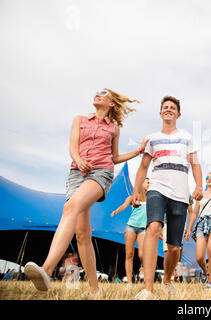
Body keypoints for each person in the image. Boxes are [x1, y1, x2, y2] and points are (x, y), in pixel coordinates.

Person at [24, 88, 149, 298]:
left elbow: (114, 157)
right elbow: (73, 147)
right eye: (96, 93)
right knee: (82, 234)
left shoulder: (114, 129)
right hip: (76, 174)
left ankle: (46, 270)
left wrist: (138, 151)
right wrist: (79, 159)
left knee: (70, 207)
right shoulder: (79, 119)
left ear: (111, 104)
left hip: (100, 174)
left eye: (103, 93)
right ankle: (94, 290)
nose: (97, 95)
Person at [132, 96, 203, 300]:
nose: (168, 110)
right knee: (153, 228)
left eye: (172, 108)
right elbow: (144, 166)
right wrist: (137, 190)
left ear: (178, 114)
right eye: (165, 107)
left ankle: (167, 280)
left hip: (180, 194)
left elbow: (195, 164)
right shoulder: (152, 138)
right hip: (156, 188)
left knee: (173, 248)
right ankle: (148, 290)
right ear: (160, 113)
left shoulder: (187, 138)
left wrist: (198, 186)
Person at [111, 177, 150, 286]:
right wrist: (116, 211)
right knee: (129, 254)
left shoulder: (150, 198)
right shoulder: (132, 197)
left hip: (143, 228)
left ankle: (144, 271)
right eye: (147, 183)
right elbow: (123, 206)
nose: (149, 185)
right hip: (131, 227)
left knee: (142, 255)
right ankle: (129, 282)